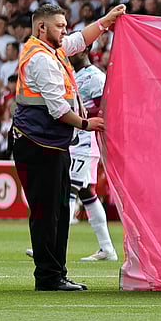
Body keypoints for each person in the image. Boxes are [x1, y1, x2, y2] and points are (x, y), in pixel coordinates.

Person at [13, 3, 125, 291]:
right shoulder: (41, 59)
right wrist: (88, 124)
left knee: (58, 211)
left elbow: (79, 40)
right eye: (60, 26)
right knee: (47, 212)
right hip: (39, 144)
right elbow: (58, 109)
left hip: (49, 143)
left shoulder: (51, 49)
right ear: (42, 27)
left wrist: (106, 21)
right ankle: (49, 277)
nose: (65, 30)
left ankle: (55, 273)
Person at [69, 50, 118, 262]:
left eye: (75, 48)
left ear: (86, 50)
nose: (70, 53)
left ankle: (53, 247)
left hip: (86, 142)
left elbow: (107, 109)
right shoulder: (72, 74)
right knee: (87, 193)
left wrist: (82, 115)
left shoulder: (95, 77)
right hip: (74, 141)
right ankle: (107, 248)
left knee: (67, 187)